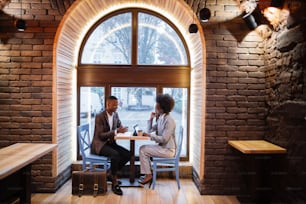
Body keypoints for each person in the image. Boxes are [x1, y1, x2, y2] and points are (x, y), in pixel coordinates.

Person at [91, 95, 131, 195]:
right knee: (115, 155)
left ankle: (110, 174)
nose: (116, 107)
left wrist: (123, 129)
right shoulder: (99, 116)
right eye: (114, 105)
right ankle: (114, 181)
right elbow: (100, 135)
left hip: (110, 143)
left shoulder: (115, 114)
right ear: (107, 104)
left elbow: (119, 125)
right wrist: (116, 131)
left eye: (117, 105)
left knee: (128, 154)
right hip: (100, 145)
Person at [138, 94, 176, 186]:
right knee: (143, 148)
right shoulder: (161, 118)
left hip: (168, 150)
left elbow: (164, 139)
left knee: (143, 150)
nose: (155, 105)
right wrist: (151, 119)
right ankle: (148, 173)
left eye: (157, 104)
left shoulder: (169, 121)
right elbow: (149, 130)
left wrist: (150, 135)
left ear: (162, 107)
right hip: (162, 148)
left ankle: (148, 175)